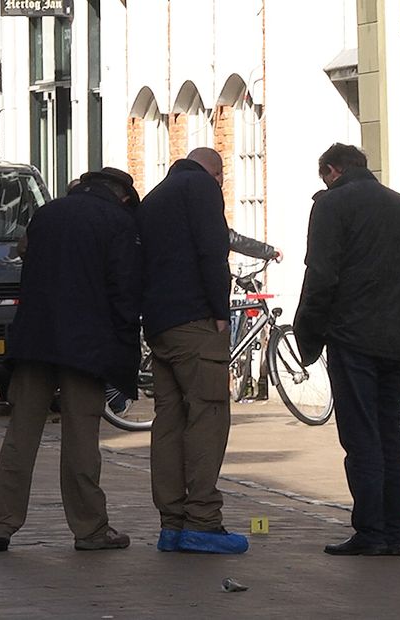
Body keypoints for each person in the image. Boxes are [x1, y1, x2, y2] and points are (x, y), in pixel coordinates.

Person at [0, 167, 141, 552]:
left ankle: (1, 524)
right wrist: (126, 350)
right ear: (122, 195)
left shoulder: (47, 213)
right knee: (81, 438)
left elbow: (26, 257)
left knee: (21, 433)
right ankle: (89, 528)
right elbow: (123, 290)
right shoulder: (117, 222)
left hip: (34, 338)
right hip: (84, 345)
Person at [294, 143, 400, 556]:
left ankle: (371, 531)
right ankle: (394, 532)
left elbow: (320, 276)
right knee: (391, 433)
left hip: (354, 338)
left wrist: (307, 337)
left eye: (324, 177)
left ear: (332, 170)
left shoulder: (332, 205)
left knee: (361, 437)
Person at [138, 147, 248, 554]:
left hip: (161, 325)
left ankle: (171, 523)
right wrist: (220, 310)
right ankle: (202, 519)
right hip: (196, 322)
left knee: (168, 420)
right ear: (215, 172)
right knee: (208, 415)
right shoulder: (200, 187)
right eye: (221, 178)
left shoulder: (156, 195)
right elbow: (212, 249)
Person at [103, 228, 279, 417]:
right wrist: (269, 251)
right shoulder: (200, 218)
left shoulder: (167, 219)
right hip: (194, 309)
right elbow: (231, 239)